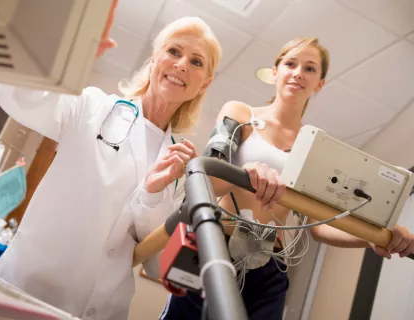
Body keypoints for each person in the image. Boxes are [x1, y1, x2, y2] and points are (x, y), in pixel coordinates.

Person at [0, 8, 222, 320]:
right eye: (174, 51)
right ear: (154, 59)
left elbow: (155, 262)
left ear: (203, 84)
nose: (181, 65)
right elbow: (16, 97)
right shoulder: (93, 107)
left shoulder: (181, 165)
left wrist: (152, 195)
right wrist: (65, 59)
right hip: (29, 294)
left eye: (196, 61)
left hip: (106, 310)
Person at [160, 37, 414, 320]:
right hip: (215, 247)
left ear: (320, 83)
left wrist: (370, 238)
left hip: (270, 266)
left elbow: (320, 226)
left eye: (310, 69)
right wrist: (245, 174)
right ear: (275, 71)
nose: (297, 73)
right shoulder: (240, 114)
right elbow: (210, 184)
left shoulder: (315, 148)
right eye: (290, 64)